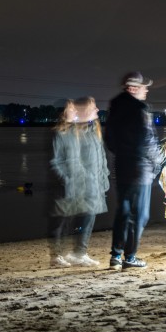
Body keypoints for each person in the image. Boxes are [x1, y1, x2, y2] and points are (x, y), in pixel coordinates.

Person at [105, 72, 162, 271]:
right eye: (144, 86)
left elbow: (109, 140)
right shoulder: (140, 109)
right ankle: (130, 257)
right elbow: (148, 140)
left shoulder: (114, 106)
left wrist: (122, 153)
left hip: (121, 166)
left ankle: (115, 257)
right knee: (140, 215)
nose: (146, 90)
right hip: (140, 168)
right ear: (133, 88)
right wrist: (159, 161)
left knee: (123, 211)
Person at [48, 97, 110, 268]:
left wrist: (104, 177)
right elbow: (60, 161)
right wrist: (67, 179)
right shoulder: (66, 132)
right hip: (75, 186)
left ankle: (79, 253)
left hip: (93, 184)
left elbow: (101, 157)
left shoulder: (93, 130)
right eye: (93, 107)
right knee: (64, 220)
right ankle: (58, 255)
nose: (98, 109)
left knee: (88, 217)